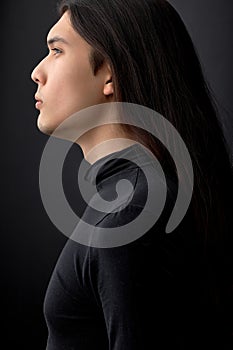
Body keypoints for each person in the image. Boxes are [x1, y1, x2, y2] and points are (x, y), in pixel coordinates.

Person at [31, 0, 233, 349]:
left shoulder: (131, 214)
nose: (37, 71)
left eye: (56, 50)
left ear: (109, 72)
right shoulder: (134, 203)